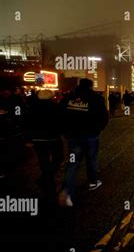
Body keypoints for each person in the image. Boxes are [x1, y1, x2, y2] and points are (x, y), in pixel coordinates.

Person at [59, 78, 109, 207]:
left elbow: (60, 116)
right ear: (91, 86)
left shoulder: (68, 98)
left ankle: (66, 191)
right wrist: (98, 129)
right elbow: (104, 117)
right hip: (90, 135)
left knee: (73, 163)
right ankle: (93, 182)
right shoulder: (96, 98)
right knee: (91, 159)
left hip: (73, 137)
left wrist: (66, 132)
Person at [24, 90, 63, 207]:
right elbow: (61, 122)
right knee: (58, 158)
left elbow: (26, 123)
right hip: (52, 138)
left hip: (37, 139)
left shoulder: (32, 108)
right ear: (51, 97)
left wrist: (28, 139)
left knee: (43, 160)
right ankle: (47, 177)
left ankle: (46, 176)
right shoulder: (55, 107)